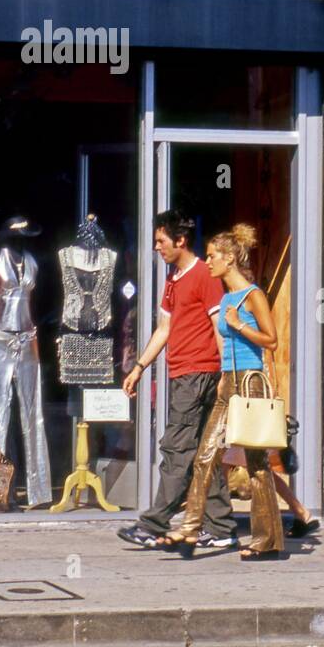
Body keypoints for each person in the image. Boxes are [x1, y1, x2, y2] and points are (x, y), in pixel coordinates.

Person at [160, 224, 285, 560]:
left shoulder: (251, 296)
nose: (209, 261)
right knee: (205, 456)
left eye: (214, 256)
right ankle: (189, 527)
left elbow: (272, 341)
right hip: (228, 381)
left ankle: (267, 539)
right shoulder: (227, 297)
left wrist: (241, 325)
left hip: (250, 381)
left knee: (257, 463)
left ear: (229, 259)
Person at [117, 211, 236, 552]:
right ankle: (223, 526)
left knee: (176, 449)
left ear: (180, 240)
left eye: (161, 241)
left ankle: (153, 524)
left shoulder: (204, 275)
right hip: (183, 373)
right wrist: (139, 367)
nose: (156, 247)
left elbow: (218, 327)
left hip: (198, 374)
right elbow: (164, 329)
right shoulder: (174, 278)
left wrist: (227, 372)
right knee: (203, 451)